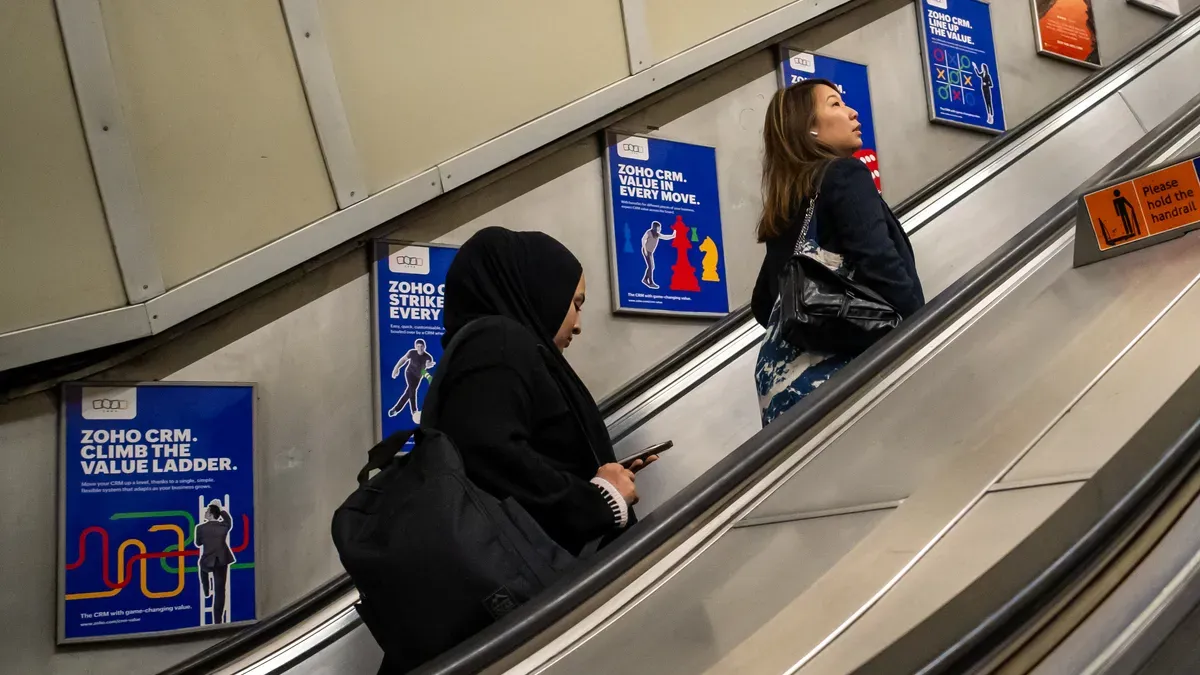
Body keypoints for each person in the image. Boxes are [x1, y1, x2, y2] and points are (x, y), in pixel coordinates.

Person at [432, 226, 653, 557]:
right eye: (576, 304)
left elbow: (521, 454)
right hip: (551, 578)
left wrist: (599, 478)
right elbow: (494, 459)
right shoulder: (497, 343)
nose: (578, 323)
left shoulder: (492, 351)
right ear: (542, 291)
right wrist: (598, 500)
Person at [751, 80, 924, 426]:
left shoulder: (785, 207)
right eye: (835, 105)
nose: (851, 112)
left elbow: (764, 302)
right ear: (810, 128)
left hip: (793, 400)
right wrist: (923, 326)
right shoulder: (845, 174)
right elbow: (880, 263)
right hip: (851, 379)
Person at [194, 501, 235, 624]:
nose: (205, 513)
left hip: (208, 561)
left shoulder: (200, 528)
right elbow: (229, 521)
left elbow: (198, 543)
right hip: (222, 560)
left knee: (202, 568)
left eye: (207, 511)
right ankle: (218, 619)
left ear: (211, 514)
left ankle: (206, 589)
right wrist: (221, 508)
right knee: (220, 590)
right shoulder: (223, 526)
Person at [388, 339, 436, 423]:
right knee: (412, 390)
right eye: (418, 346)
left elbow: (424, 368)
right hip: (409, 373)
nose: (420, 348)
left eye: (421, 346)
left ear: (424, 347)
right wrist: (396, 368)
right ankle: (414, 411)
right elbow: (403, 360)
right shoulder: (411, 352)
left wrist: (428, 370)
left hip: (418, 377)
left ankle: (396, 409)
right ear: (415, 347)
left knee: (408, 392)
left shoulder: (428, 357)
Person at [640, 220, 676, 289]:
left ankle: (645, 279)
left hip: (650, 252)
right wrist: (644, 249)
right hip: (646, 250)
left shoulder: (657, 234)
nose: (660, 229)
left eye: (660, 228)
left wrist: (672, 236)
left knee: (652, 267)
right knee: (651, 266)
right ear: (655, 227)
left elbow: (665, 237)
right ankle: (650, 282)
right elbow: (643, 239)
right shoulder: (649, 232)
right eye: (659, 228)